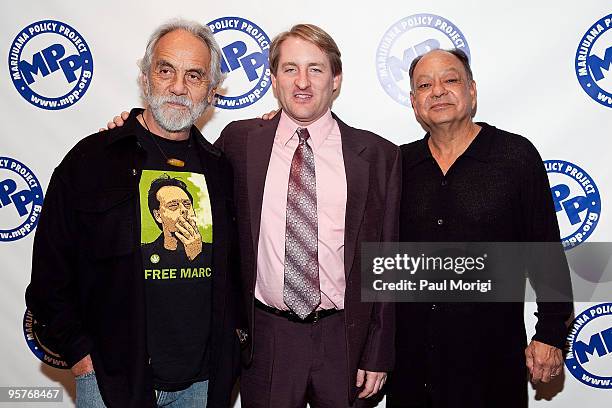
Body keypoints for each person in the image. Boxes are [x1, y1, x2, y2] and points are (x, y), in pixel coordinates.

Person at [26, 19, 241, 408]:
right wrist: (78, 352)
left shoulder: (221, 169)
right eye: (165, 70)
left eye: (194, 75)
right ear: (145, 79)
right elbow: (48, 272)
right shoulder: (91, 160)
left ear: (211, 93)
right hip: (111, 381)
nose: (178, 87)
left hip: (203, 384)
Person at [214, 24, 400, 407]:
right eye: (290, 69)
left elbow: (387, 264)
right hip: (267, 339)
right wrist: (135, 123)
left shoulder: (378, 156)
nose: (302, 81)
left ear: (336, 79)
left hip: (344, 339)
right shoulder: (240, 141)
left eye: (315, 69)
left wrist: (377, 352)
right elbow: (184, 165)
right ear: (273, 80)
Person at [386, 48, 573, 408]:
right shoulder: (397, 164)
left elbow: (545, 253)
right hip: (411, 368)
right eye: (424, 85)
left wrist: (550, 335)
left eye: (450, 80)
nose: (437, 91)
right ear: (414, 102)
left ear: (472, 91)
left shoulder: (515, 157)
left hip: (492, 364)